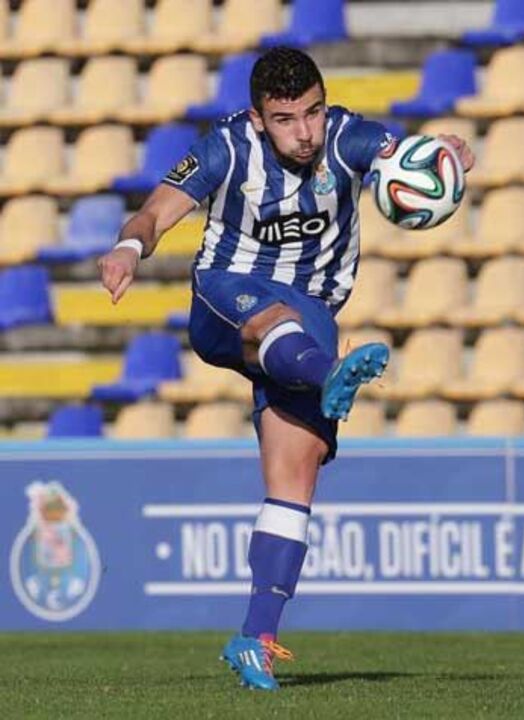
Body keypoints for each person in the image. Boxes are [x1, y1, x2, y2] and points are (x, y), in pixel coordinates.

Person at [97, 47, 474, 691]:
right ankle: (328, 373)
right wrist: (131, 246)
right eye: (285, 119)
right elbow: (157, 210)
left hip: (315, 314)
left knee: (292, 484)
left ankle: (255, 639)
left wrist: (439, 156)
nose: (303, 132)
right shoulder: (225, 147)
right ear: (258, 117)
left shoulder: (348, 135)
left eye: (312, 113)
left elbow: (397, 156)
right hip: (229, 296)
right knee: (277, 322)